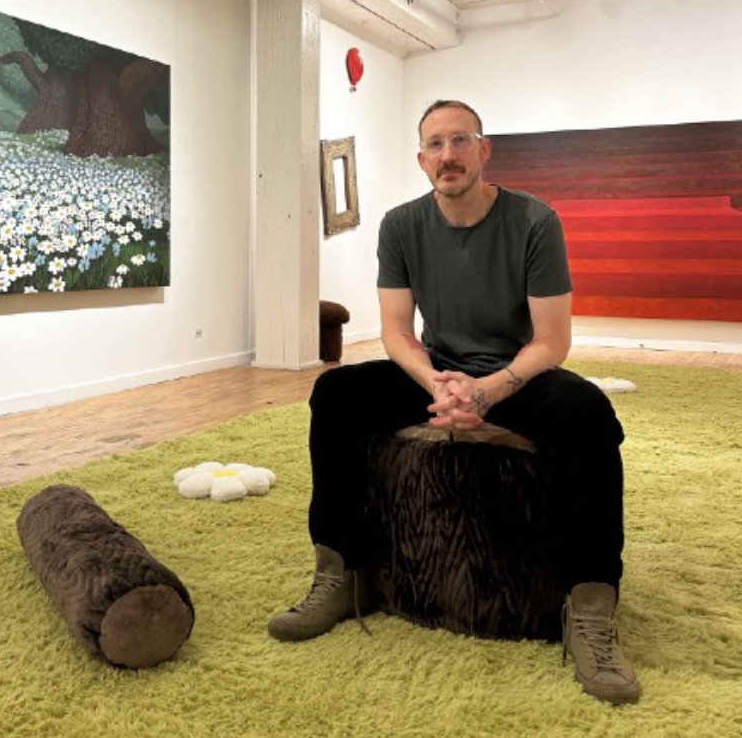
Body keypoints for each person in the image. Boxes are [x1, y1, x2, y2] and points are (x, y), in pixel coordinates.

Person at [268, 98, 640, 706]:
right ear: (421, 159)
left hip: (514, 377)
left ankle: (590, 608)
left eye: (460, 141)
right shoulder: (401, 225)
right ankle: (343, 574)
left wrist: (487, 392)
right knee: (335, 393)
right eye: (435, 145)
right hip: (436, 375)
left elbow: (552, 342)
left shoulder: (535, 221)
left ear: (483, 150)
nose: (448, 155)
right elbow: (395, 331)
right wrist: (437, 383)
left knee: (589, 413)